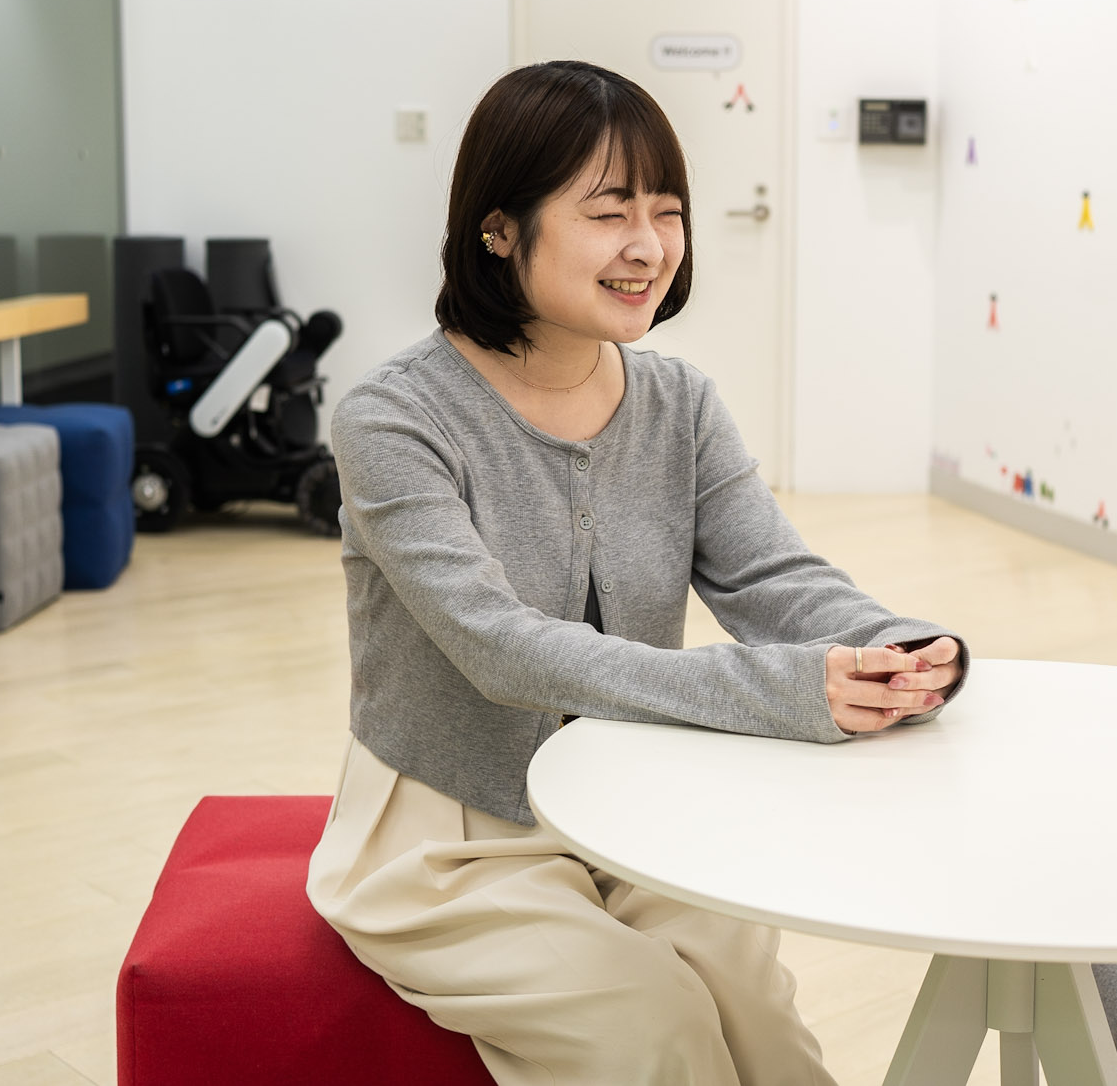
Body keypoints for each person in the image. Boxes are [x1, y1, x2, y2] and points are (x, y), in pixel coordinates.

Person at [306, 60, 969, 1086]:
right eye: (609, 212)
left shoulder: (680, 405)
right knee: (652, 1024)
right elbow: (500, 648)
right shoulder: (394, 418)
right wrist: (786, 690)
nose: (649, 246)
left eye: (667, 211)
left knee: (764, 1025)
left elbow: (773, 575)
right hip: (451, 839)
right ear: (498, 229)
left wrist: (896, 646)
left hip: (637, 802)